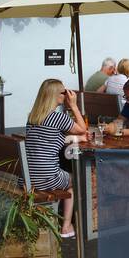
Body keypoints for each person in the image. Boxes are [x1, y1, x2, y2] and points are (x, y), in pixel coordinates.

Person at [25, 79, 88, 238]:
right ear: (55, 96)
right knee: (76, 180)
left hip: (28, 177)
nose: (66, 95)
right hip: (47, 178)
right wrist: (73, 105)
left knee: (63, 173)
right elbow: (82, 129)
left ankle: (53, 217)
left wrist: (75, 140)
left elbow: (49, 140)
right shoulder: (58, 117)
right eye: (63, 92)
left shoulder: (33, 117)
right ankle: (66, 227)